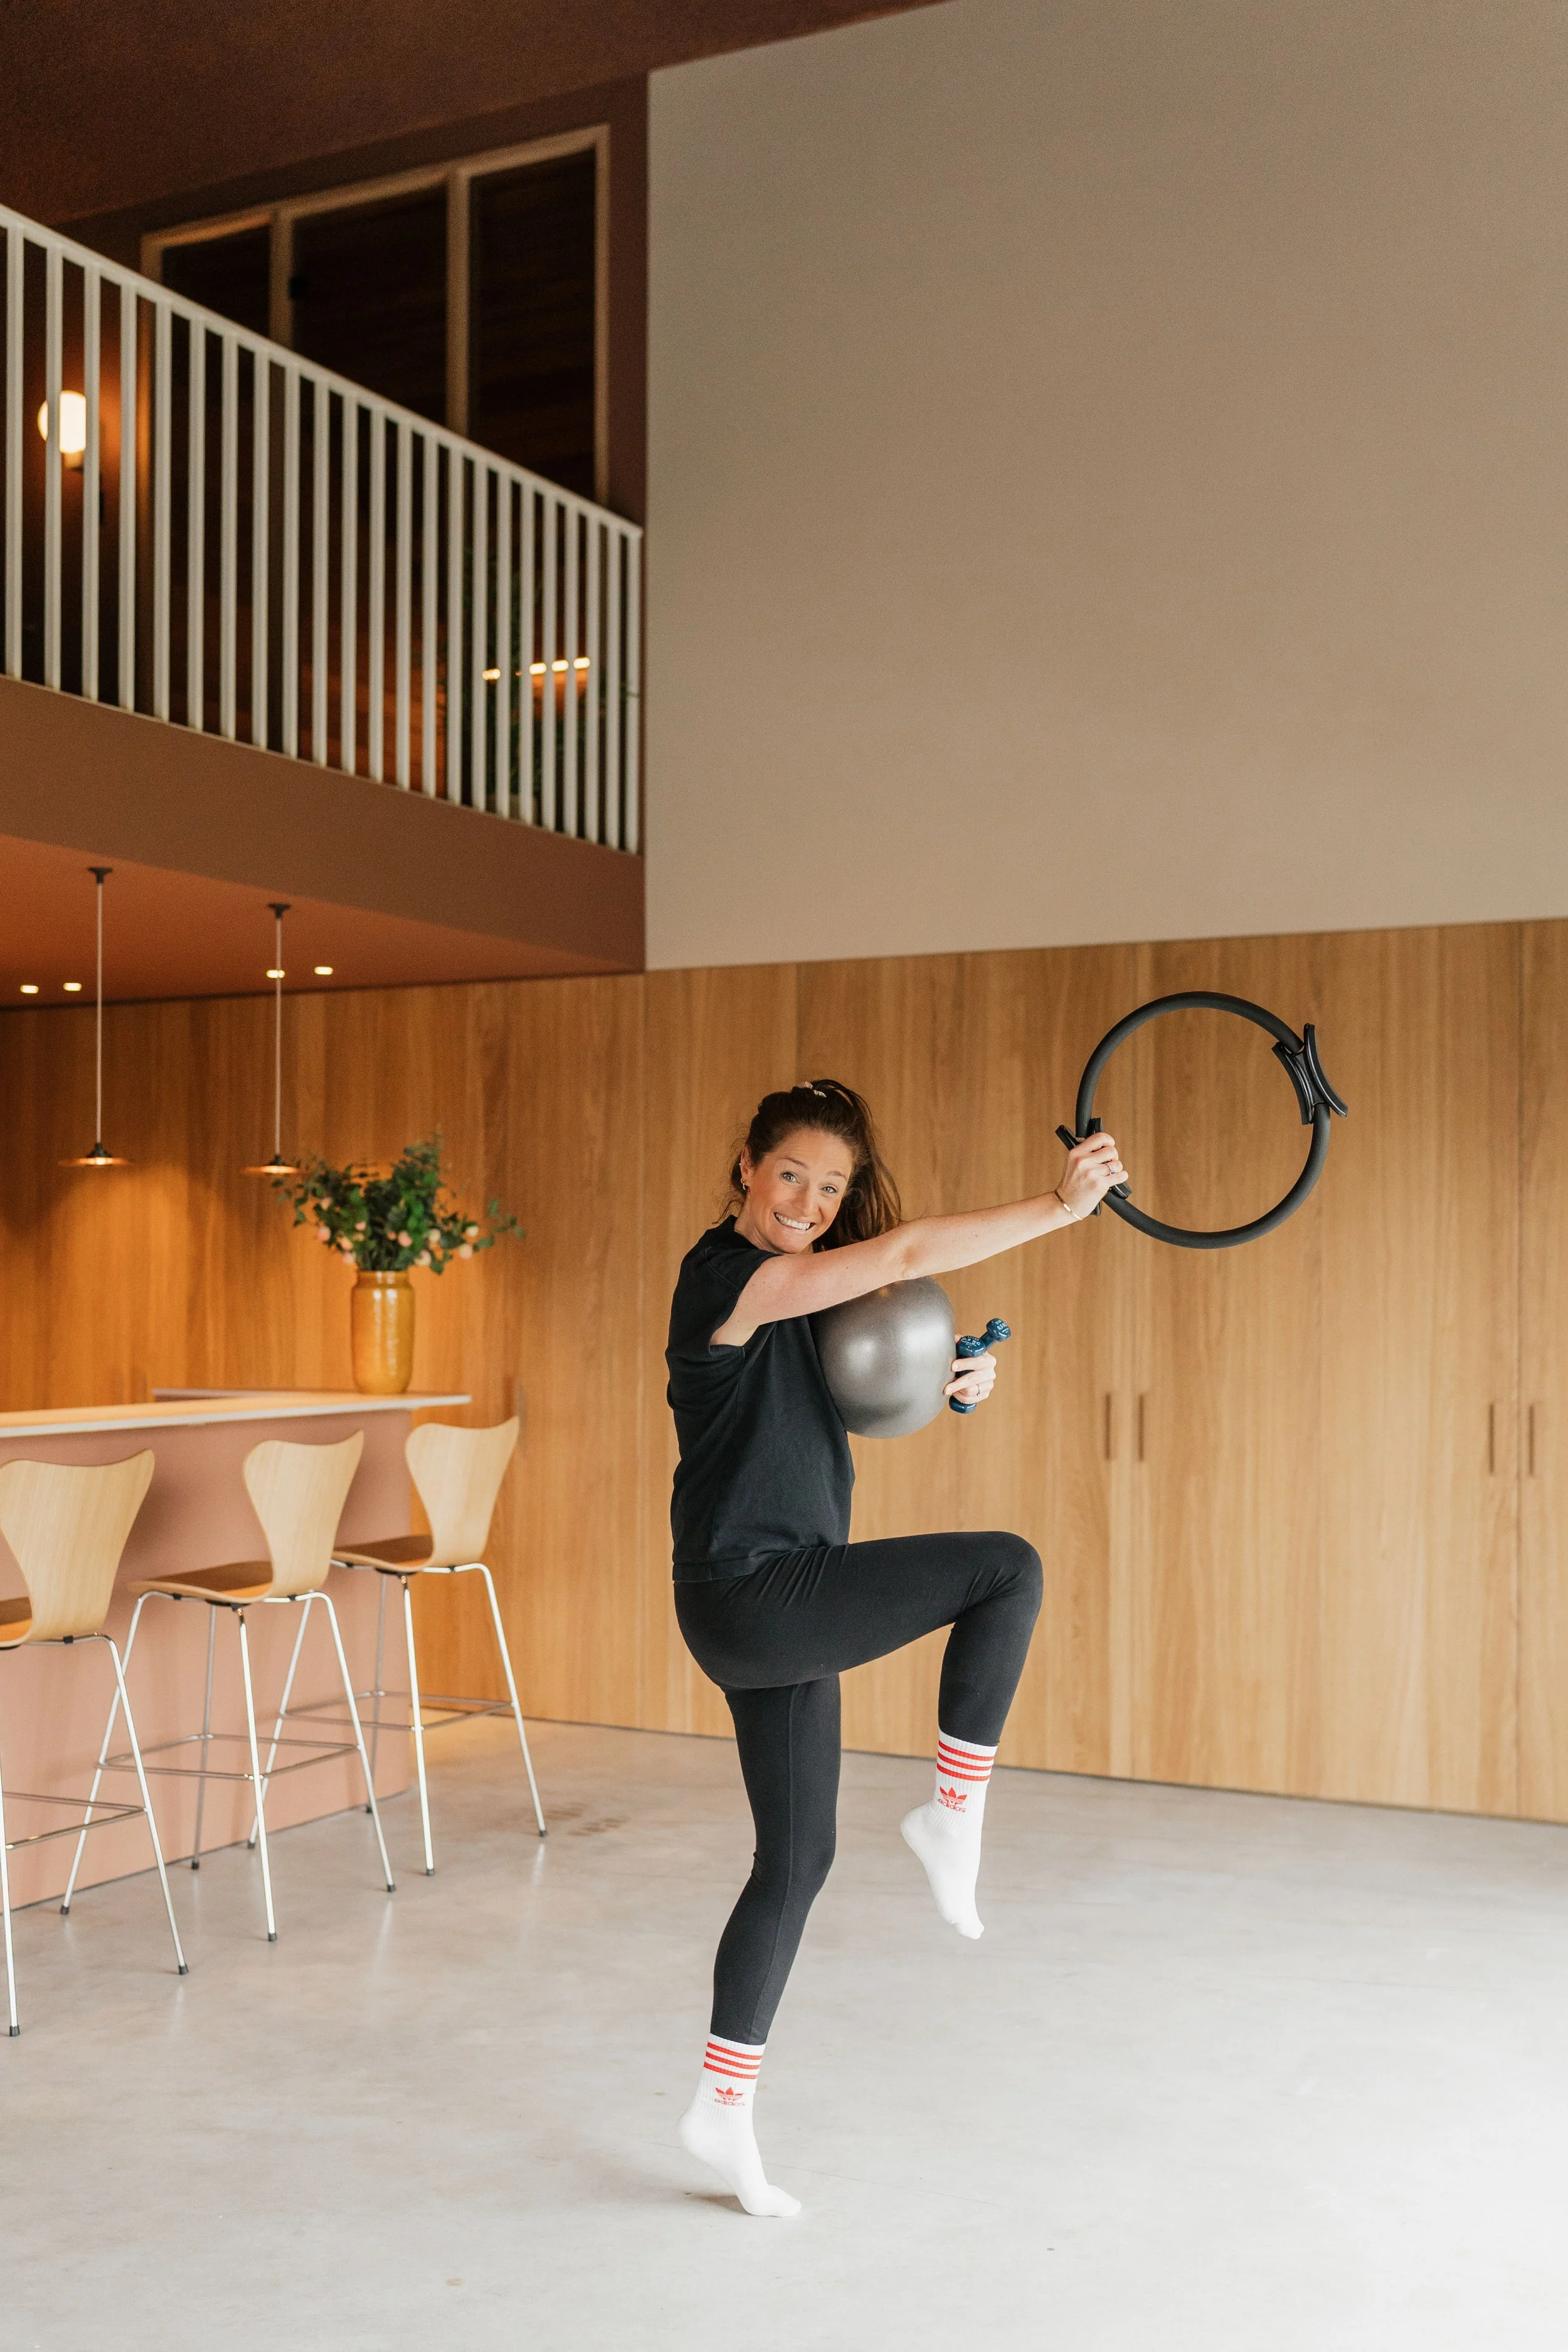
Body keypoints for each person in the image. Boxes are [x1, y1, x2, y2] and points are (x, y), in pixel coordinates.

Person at [665, 1079, 1126, 2218]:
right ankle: (952, 1810)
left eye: (830, 1189)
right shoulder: (725, 1281)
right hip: (757, 1591)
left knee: (798, 1859)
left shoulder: (802, 1300)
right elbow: (905, 1252)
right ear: (745, 1165)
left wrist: (952, 1376)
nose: (809, 1204)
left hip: (775, 1595)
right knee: (1007, 1565)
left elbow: (858, 1384)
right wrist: (1061, 1211)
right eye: (790, 1177)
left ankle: (722, 2111)